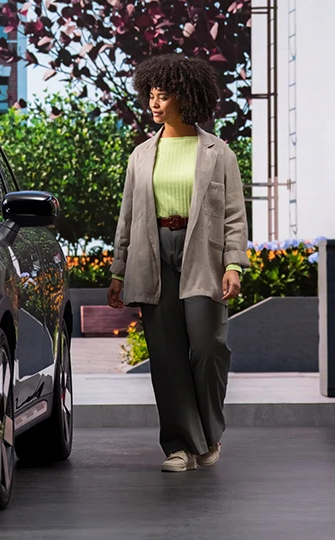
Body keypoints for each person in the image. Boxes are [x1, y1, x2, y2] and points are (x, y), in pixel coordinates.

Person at [107, 54, 250, 473]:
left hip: (201, 253)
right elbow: (128, 217)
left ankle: (209, 434)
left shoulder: (218, 152)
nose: (154, 104)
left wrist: (234, 264)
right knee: (166, 355)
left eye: (163, 96)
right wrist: (118, 271)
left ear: (184, 97)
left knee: (208, 348)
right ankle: (180, 446)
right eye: (151, 95)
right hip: (152, 257)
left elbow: (235, 216)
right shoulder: (141, 156)